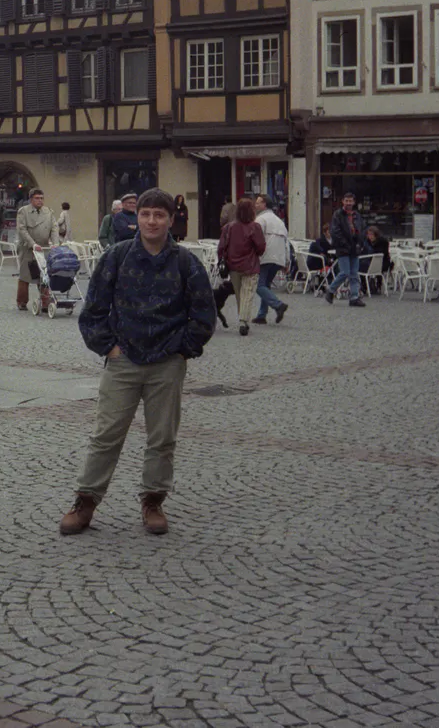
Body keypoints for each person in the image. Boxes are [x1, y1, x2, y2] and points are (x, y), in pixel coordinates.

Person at [59, 188, 216, 537]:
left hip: (167, 363)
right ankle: (85, 501)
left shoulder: (186, 263)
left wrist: (183, 350)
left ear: (170, 221)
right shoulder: (116, 257)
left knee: (162, 438)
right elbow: (93, 310)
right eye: (146, 214)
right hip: (124, 360)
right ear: (136, 218)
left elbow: (204, 314)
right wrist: (109, 348)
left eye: (159, 215)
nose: (151, 221)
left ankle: (153, 501)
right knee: (106, 435)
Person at [218, 198, 264, 336]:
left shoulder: (228, 227)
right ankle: (243, 321)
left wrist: (221, 260)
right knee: (247, 294)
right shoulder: (255, 227)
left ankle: (243, 319)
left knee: (239, 295)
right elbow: (261, 247)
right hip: (250, 265)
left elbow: (221, 247)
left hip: (233, 266)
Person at [15, 188, 57, 313]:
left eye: (42, 198)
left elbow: (54, 228)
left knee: (44, 275)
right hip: (28, 248)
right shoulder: (23, 211)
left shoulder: (48, 212)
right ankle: (22, 302)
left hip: (43, 248)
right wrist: (32, 244)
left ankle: (45, 302)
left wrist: (55, 244)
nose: (40, 201)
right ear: (31, 199)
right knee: (25, 275)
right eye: (37, 198)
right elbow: (22, 229)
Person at [324, 193, 366, 307]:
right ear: (342, 201)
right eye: (346, 201)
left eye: (350, 201)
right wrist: (345, 244)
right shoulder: (337, 215)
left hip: (355, 248)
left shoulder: (357, 215)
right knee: (345, 272)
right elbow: (335, 232)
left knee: (354, 274)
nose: (348, 203)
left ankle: (354, 297)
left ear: (354, 202)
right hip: (343, 248)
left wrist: (360, 242)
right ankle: (331, 290)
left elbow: (362, 229)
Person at [253, 195, 289, 325]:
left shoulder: (260, 219)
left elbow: (256, 239)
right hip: (279, 258)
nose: (255, 205)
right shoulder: (280, 221)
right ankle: (261, 315)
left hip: (265, 256)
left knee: (258, 286)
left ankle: (278, 305)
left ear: (264, 205)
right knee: (266, 285)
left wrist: (254, 255)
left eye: (258, 203)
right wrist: (287, 261)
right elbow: (286, 242)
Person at [360, 225, 392, 295]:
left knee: (364, 266)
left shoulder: (383, 242)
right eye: (368, 235)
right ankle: (364, 286)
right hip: (370, 262)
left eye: (372, 234)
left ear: (376, 235)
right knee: (360, 265)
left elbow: (382, 254)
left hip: (383, 263)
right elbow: (364, 252)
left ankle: (377, 285)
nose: (370, 236)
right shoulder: (367, 242)